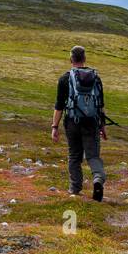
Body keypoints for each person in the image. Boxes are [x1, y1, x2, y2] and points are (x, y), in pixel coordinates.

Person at [51, 45, 106, 201]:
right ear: (84, 59)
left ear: (71, 59)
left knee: (74, 156)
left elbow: (59, 106)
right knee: (93, 156)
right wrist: (102, 126)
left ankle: (75, 189)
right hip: (92, 123)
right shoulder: (96, 78)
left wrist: (55, 127)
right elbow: (100, 105)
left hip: (72, 122)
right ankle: (97, 180)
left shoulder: (64, 79)